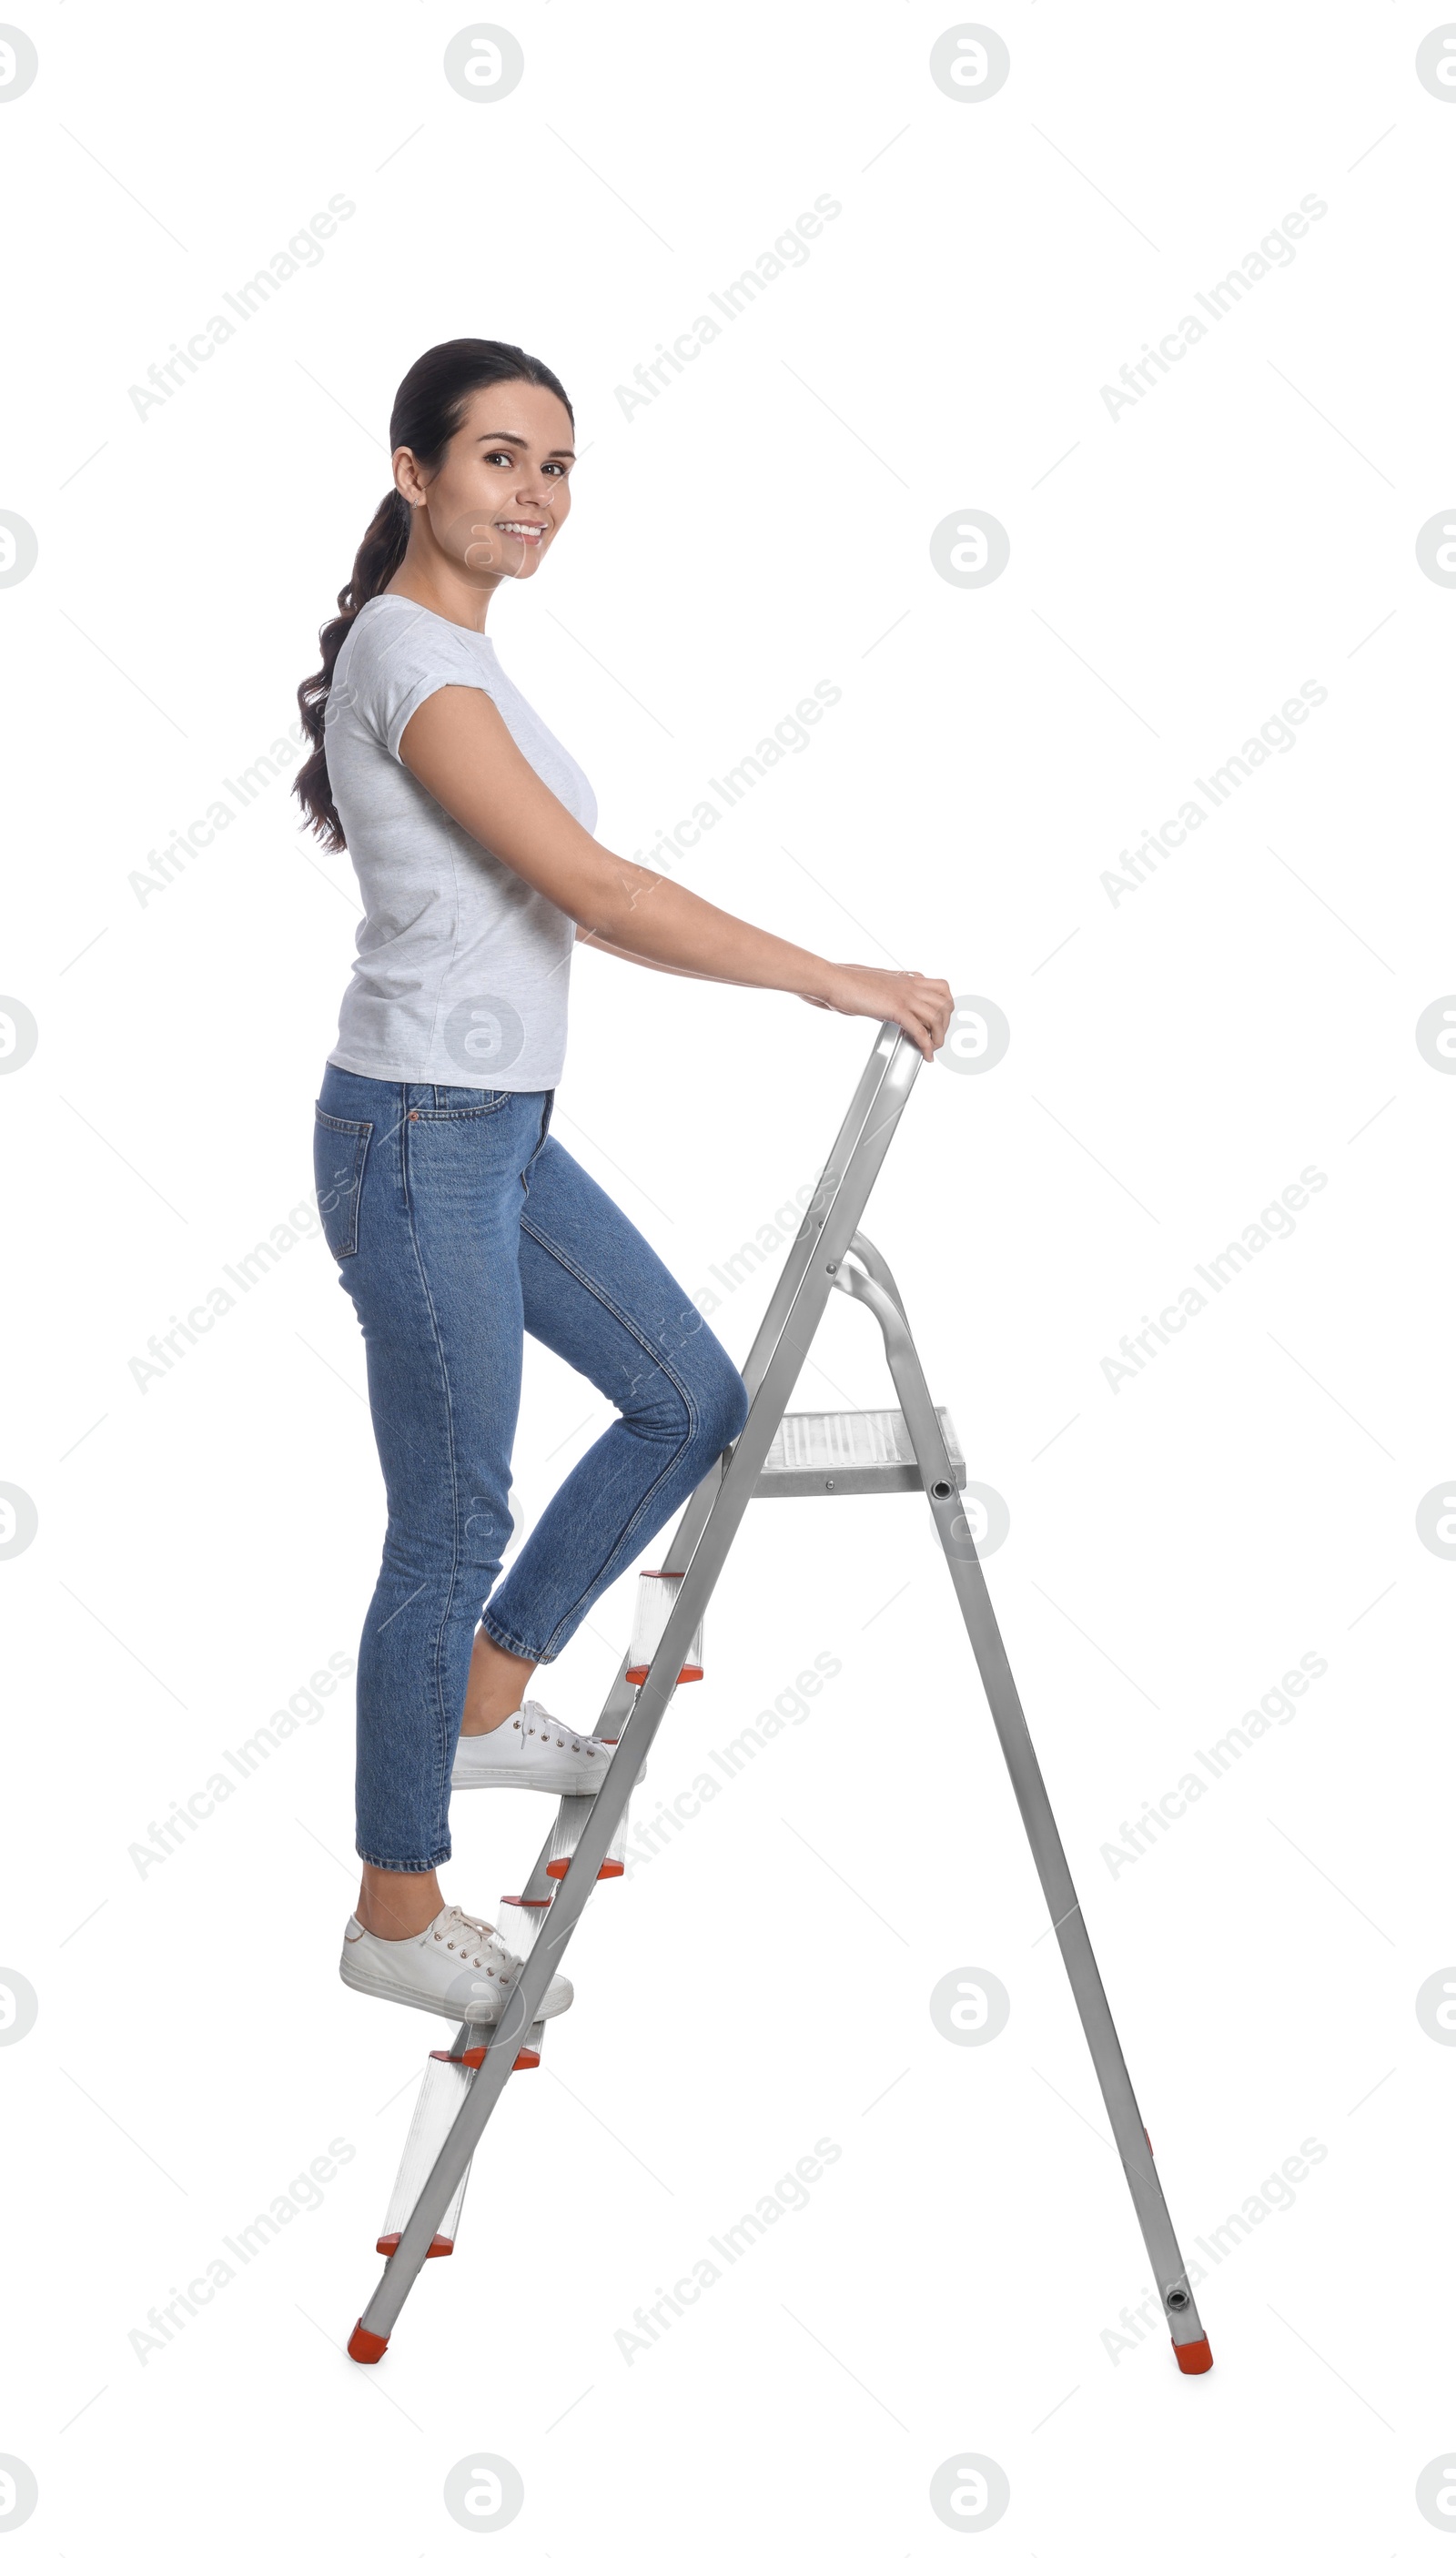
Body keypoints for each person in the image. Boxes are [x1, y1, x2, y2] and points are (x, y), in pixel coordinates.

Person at [294, 338, 952, 2030]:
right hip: (418, 1130)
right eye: (500, 458)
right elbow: (596, 893)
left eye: (557, 467)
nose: (534, 494)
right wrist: (839, 978)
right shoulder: (410, 659)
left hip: (499, 1127)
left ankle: (487, 1692)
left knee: (688, 1397)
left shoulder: (461, 657)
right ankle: (394, 1906)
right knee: (446, 1520)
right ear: (413, 470)